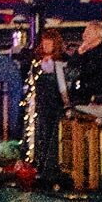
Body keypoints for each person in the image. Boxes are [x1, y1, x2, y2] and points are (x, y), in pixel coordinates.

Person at [30, 29, 69, 177]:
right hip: (41, 105)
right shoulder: (37, 62)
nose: (45, 46)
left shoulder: (60, 62)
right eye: (44, 43)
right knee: (41, 134)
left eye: (49, 43)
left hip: (54, 105)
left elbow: (62, 86)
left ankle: (50, 167)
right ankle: (39, 163)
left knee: (52, 135)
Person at [70, 22, 102, 104]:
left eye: (88, 32)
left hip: (98, 100)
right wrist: (79, 53)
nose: (84, 34)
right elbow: (71, 70)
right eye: (85, 31)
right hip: (80, 99)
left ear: (98, 35)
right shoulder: (83, 52)